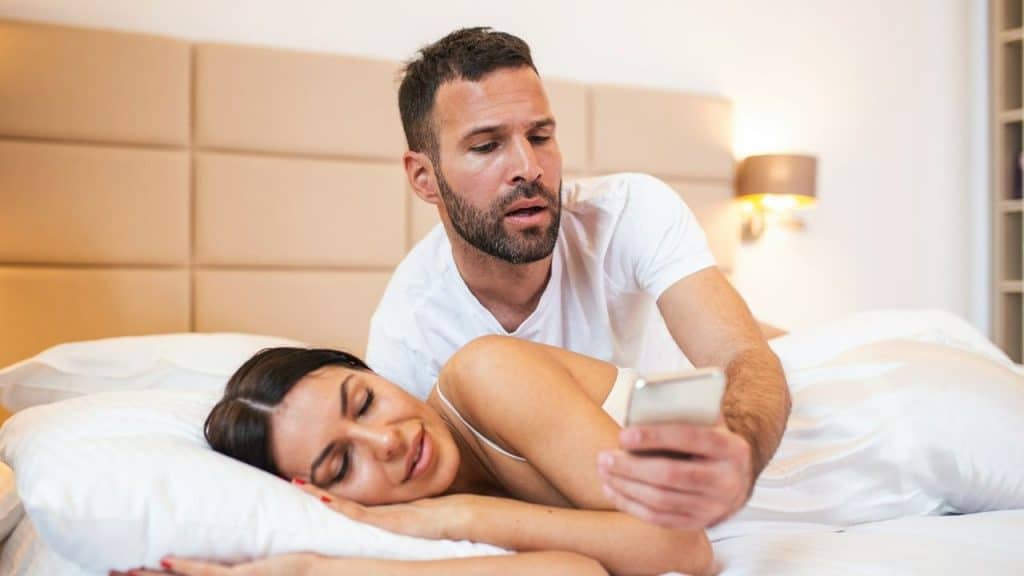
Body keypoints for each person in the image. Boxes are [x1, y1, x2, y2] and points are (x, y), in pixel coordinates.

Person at [366, 26, 790, 529]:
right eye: (486, 146)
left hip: (707, 397)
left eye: (541, 136)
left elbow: (740, 356)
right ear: (424, 177)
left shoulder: (629, 212)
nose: (529, 167)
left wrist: (739, 449)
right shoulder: (408, 332)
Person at [136, 336, 714, 576]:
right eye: (341, 466)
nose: (385, 441)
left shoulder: (487, 373)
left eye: (364, 402)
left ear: (376, 374)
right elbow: (575, 572)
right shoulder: (405, 523)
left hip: (777, 445)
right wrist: (318, 569)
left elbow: (684, 545)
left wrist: (450, 515)